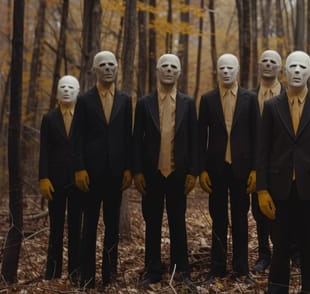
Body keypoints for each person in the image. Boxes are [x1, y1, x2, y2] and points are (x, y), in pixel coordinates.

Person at [257, 50, 310, 294]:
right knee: (279, 246)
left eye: (303, 67)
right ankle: (277, 290)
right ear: (285, 71)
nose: (298, 71)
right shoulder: (272, 106)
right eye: (293, 66)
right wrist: (262, 189)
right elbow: (263, 150)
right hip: (279, 189)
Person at [132, 54, 198, 288]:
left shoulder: (189, 104)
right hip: (152, 174)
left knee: (178, 222)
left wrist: (193, 172)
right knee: (152, 223)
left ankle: (183, 270)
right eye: (165, 66)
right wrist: (137, 172)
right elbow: (136, 141)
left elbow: (194, 140)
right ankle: (153, 270)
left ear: (179, 72)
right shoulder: (143, 104)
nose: (169, 70)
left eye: (174, 67)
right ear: (157, 70)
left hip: (178, 174)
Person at [73, 51, 133, 288]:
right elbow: (76, 139)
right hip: (90, 174)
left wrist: (128, 167)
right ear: (95, 69)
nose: (108, 68)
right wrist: (79, 169)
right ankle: (87, 279)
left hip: (115, 174)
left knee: (112, 227)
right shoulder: (84, 101)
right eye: (103, 65)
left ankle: (110, 277)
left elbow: (128, 137)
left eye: (111, 64)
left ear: (117, 67)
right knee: (89, 227)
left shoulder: (125, 100)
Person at [199, 53, 258, 284]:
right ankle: (217, 268)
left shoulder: (250, 99)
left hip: (242, 169)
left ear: (238, 70)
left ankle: (242, 269)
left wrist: (255, 169)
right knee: (219, 219)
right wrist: (201, 169)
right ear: (217, 71)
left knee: (241, 220)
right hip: (216, 169)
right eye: (221, 68)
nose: (225, 71)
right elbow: (200, 136)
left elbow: (257, 136)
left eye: (229, 68)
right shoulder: (207, 99)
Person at [39, 75, 82, 284]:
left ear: (77, 91)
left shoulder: (84, 119)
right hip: (54, 182)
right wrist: (43, 177)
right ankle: (52, 273)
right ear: (57, 92)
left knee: (75, 228)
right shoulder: (49, 119)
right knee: (55, 229)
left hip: (77, 182)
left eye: (70, 87)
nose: (66, 90)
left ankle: (75, 273)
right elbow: (44, 152)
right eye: (62, 87)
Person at [251, 50, 285, 273]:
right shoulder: (248, 97)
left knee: (286, 209)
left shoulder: (289, 93)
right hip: (257, 165)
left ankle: (290, 252)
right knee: (259, 210)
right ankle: (264, 254)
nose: (268, 64)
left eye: (273, 61)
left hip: (284, 163)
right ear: (258, 65)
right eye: (264, 60)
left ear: (280, 67)